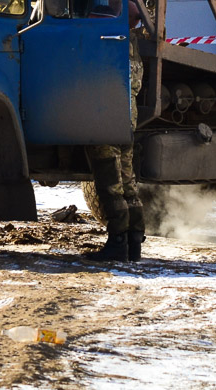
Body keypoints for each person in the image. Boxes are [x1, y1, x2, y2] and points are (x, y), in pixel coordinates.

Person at [82, 35, 145, 262]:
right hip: (127, 120)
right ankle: (134, 241)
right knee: (128, 183)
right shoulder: (133, 53)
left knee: (111, 185)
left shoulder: (107, 53)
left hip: (107, 120)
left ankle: (118, 243)